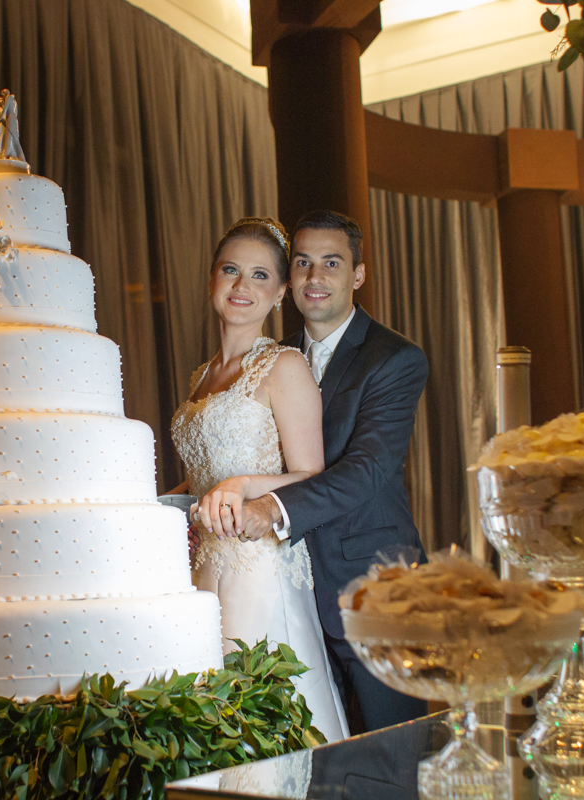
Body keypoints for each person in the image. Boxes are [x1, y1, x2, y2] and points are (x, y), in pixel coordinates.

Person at [230, 210, 430, 733]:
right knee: (320, 754)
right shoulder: (272, 358)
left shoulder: (394, 358)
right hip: (289, 593)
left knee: (393, 750)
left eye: (331, 263)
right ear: (289, 278)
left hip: (373, 590)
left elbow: (367, 469)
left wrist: (271, 507)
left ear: (358, 275)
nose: (315, 277)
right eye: (303, 263)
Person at [170, 217, 349, 742]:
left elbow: (311, 475)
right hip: (202, 567)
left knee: (254, 720)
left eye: (260, 275)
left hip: (260, 565)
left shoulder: (284, 365)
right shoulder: (200, 376)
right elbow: (199, 480)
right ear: (212, 279)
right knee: (205, 715)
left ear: (280, 293)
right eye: (230, 270)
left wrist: (244, 485)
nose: (241, 286)